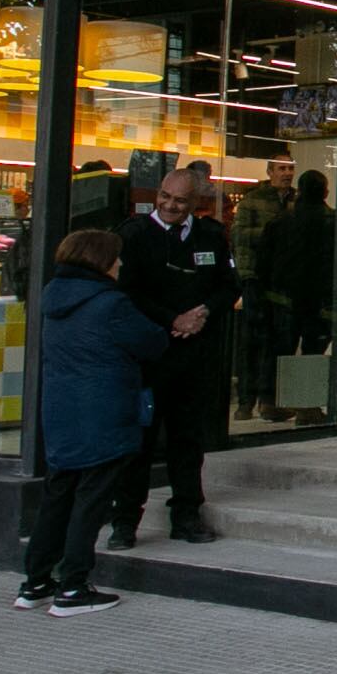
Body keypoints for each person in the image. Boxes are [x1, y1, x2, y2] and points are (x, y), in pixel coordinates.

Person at [20, 230, 166, 615]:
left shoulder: (52, 298)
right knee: (91, 499)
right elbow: (151, 342)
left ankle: (36, 581)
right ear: (101, 261)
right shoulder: (110, 304)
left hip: (61, 413)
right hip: (103, 414)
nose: (120, 264)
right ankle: (73, 586)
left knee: (58, 495)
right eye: (116, 258)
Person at [110, 168, 234, 546]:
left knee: (188, 438)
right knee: (140, 441)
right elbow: (125, 292)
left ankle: (186, 515)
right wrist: (171, 319)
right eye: (165, 196)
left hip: (193, 357)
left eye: (180, 201)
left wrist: (202, 314)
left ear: (195, 204)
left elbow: (229, 286)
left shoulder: (211, 236)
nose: (169, 205)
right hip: (148, 357)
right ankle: (125, 522)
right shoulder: (132, 235)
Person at [257, 169, 336, 420]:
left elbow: (263, 261)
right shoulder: (331, 222)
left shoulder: (281, 220)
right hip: (317, 300)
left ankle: (269, 401)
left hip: (282, 297)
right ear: (325, 191)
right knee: (312, 350)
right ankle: (306, 405)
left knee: (279, 349)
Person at [232, 154, 297, 418]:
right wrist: (273, 232)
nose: (287, 173)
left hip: (284, 281)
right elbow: (239, 235)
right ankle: (247, 400)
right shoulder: (253, 200)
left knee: (279, 342)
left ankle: (269, 399)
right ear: (270, 171)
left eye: (290, 169)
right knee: (252, 341)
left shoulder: (296, 201)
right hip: (257, 279)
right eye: (282, 168)